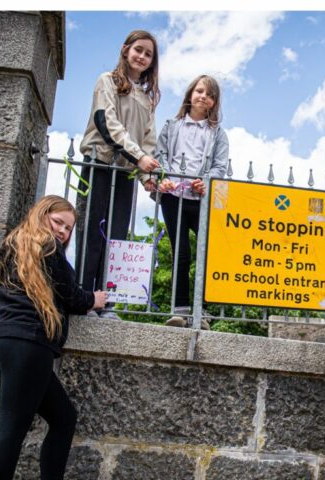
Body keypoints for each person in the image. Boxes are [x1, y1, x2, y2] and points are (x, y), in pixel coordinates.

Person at [0, 195, 107, 480]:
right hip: (28, 345)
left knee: (64, 417)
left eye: (69, 228)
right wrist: (94, 299)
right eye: (58, 223)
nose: (63, 232)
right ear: (42, 215)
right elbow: (71, 296)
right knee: (11, 429)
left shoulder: (13, 245)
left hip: (4, 343)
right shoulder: (48, 248)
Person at [77, 30, 161, 319]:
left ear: (152, 62)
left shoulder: (148, 100)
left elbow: (148, 141)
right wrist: (139, 157)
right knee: (92, 234)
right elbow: (106, 123)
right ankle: (85, 299)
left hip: (125, 173)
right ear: (125, 50)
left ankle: (107, 302)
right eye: (138, 49)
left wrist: (146, 177)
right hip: (99, 163)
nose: (142, 56)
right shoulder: (107, 81)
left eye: (148, 54)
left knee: (115, 239)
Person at [148, 74, 228, 329]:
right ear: (190, 94)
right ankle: (179, 308)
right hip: (173, 196)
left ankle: (201, 310)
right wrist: (163, 178)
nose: (203, 96)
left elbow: (219, 166)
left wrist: (206, 181)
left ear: (214, 102)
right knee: (181, 251)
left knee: (207, 253)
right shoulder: (172, 126)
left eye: (209, 94)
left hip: (200, 199)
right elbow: (159, 156)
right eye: (200, 91)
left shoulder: (217, 133)